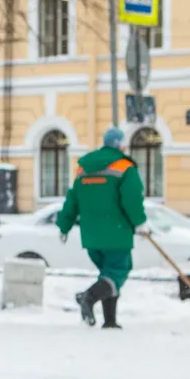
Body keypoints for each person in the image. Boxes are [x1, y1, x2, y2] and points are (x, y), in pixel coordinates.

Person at [57, 127, 149, 329]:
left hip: (91, 236)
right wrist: (140, 223)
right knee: (118, 270)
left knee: (108, 275)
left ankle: (110, 320)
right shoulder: (125, 168)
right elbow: (132, 199)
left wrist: (64, 225)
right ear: (120, 145)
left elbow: (72, 200)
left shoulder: (84, 169)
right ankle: (87, 297)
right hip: (116, 232)